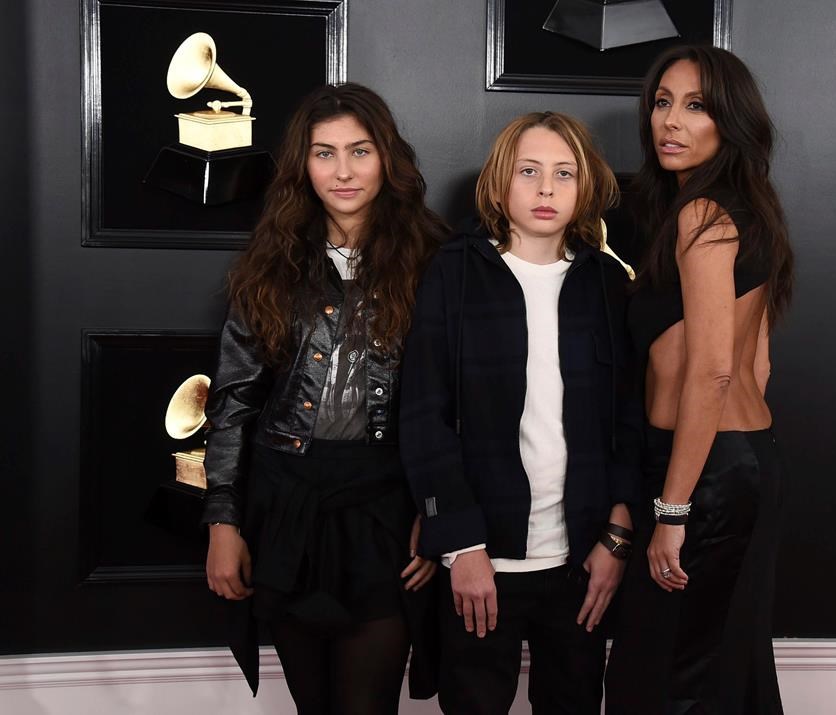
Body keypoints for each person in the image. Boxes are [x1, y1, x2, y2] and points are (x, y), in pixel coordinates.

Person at [200, 83, 447, 715]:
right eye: (324, 153)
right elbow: (233, 402)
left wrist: (438, 508)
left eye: (360, 151)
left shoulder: (435, 260)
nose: (343, 171)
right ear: (302, 165)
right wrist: (223, 523)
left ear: (387, 158)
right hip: (286, 507)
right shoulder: (270, 265)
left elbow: (458, 401)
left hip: (385, 507)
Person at [399, 111, 640, 715]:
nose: (546, 188)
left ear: (585, 186)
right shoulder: (454, 272)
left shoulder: (606, 283)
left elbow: (628, 419)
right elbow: (424, 414)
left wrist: (616, 539)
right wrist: (461, 547)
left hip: (580, 560)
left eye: (564, 173)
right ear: (500, 181)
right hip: (484, 558)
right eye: (528, 171)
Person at [604, 45, 795, 714]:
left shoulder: (703, 215)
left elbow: (714, 371)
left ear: (729, 120)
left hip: (704, 475)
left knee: (672, 678)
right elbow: (759, 363)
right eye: (663, 103)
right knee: (716, 664)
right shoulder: (749, 209)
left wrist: (675, 509)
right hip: (737, 464)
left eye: (696, 107)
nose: (671, 121)